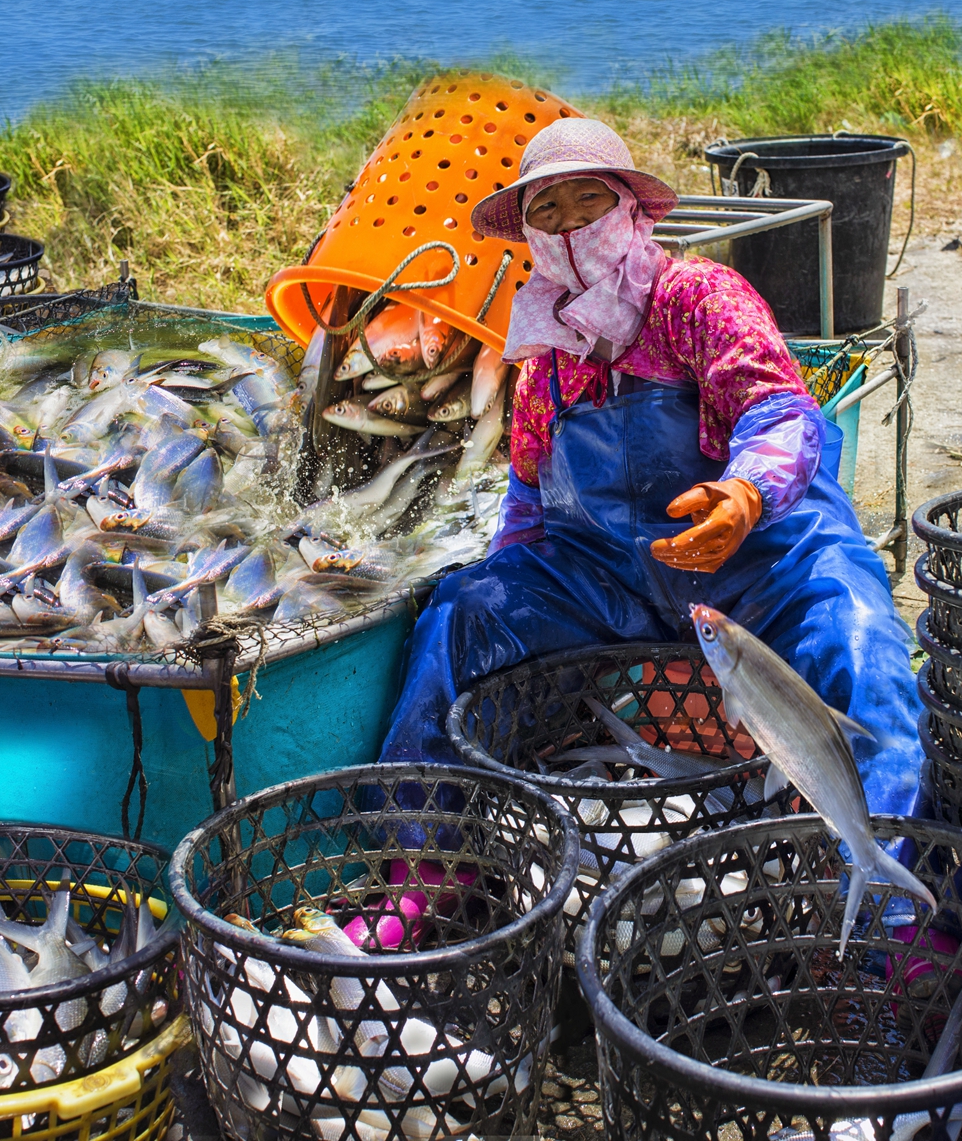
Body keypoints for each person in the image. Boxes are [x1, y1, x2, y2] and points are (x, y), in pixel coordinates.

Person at [376, 118, 928, 948]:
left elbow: (779, 411)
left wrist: (743, 494)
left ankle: (893, 918)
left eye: (586, 201)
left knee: (857, 645)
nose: (567, 226)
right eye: (545, 211)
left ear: (631, 208)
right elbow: (527, 507)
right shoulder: (549, 361)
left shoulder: (696, 298)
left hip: (764, 560)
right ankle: (426, 871)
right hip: (616, 583)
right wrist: (507, 590)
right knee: (461, 613)